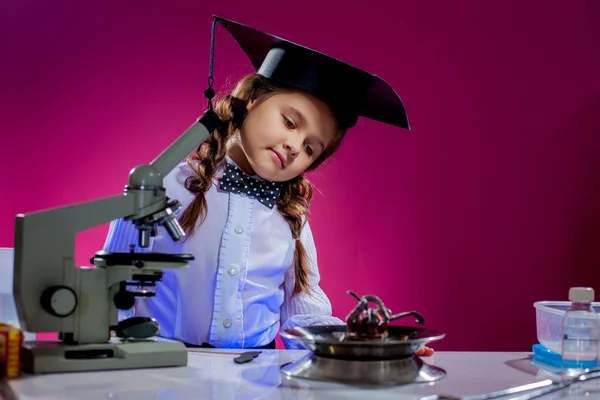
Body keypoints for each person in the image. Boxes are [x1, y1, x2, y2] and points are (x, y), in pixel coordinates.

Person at [103, 16, 434, 356]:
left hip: (257, 380)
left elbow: (304, 316)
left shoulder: (291, 220)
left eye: (310, 148)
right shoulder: (163, 185)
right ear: (253, 97)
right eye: (289, 121)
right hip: (165, 374)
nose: (294, 145)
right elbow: (109, 285)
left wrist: (368, 348)